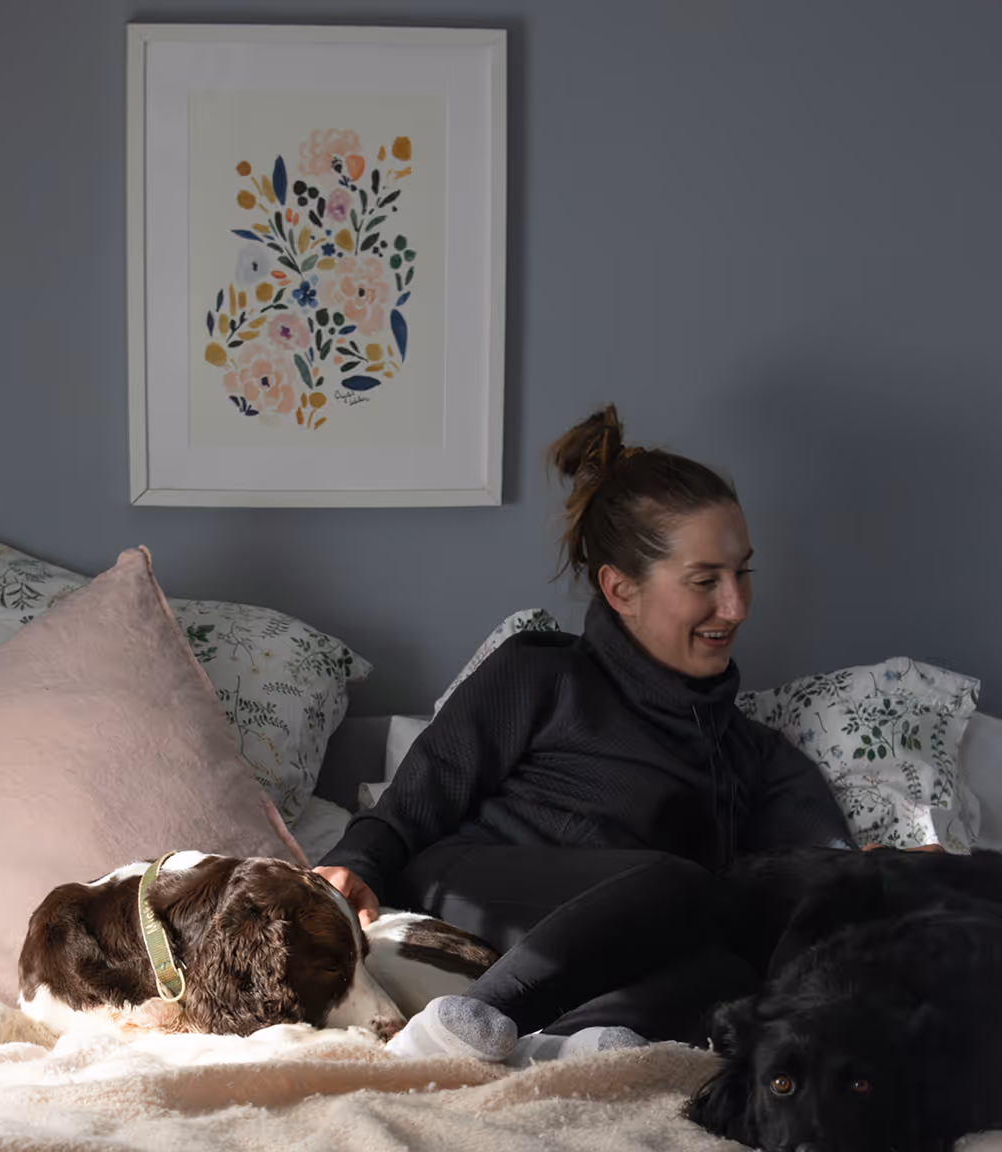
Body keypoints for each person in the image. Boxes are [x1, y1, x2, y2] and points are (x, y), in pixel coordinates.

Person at [314, 404, 856, 1063]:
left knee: (740, 976)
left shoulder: (757, 757)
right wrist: (356, 865)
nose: (735, 606)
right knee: (680, 882)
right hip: (471, 883)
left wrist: (894, 875)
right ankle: (460, 1028)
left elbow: (828, 882)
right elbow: (414, 805)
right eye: (704, 581)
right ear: (621, 589)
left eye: (742, 572)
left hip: (622, 941)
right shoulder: (539, 672)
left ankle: (560, 1043)